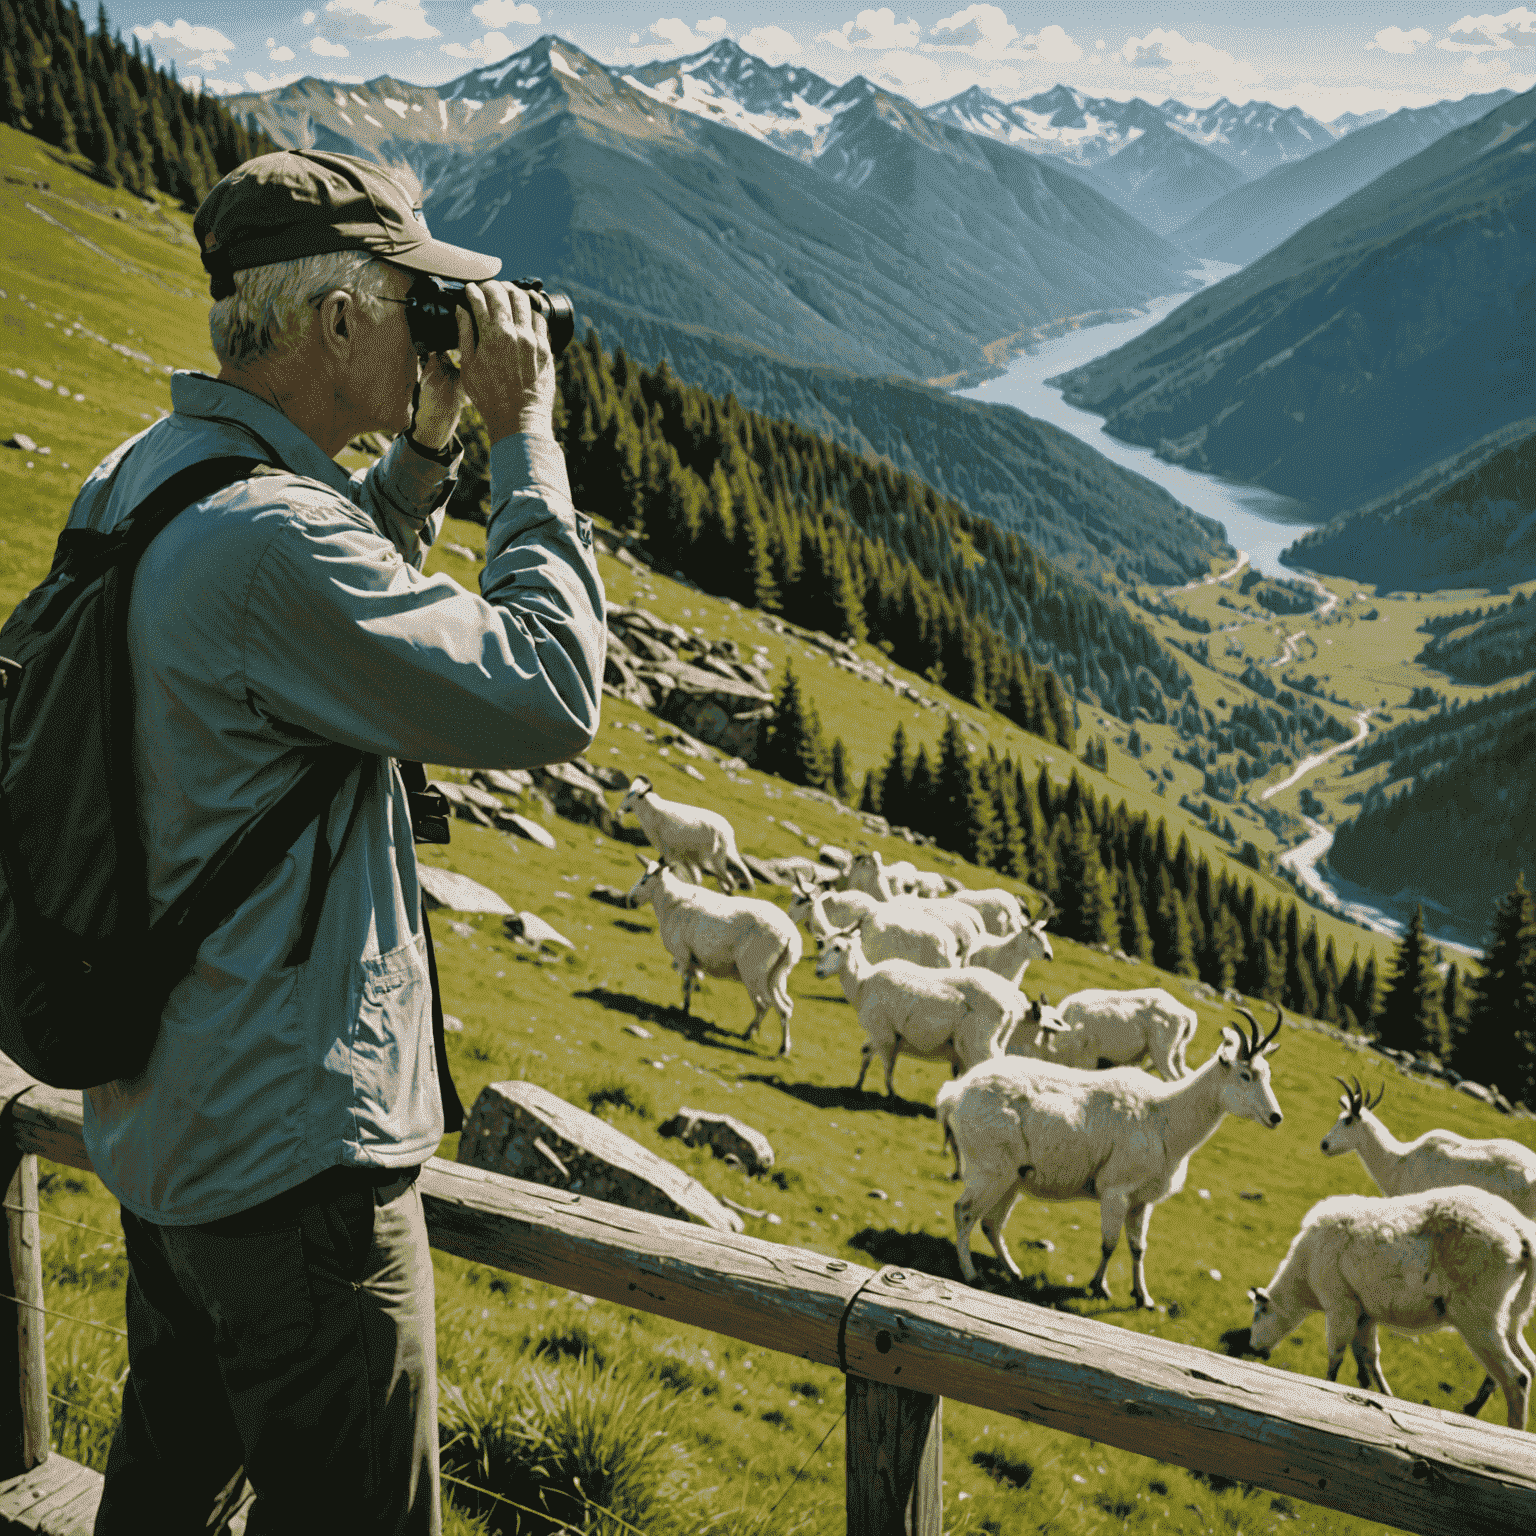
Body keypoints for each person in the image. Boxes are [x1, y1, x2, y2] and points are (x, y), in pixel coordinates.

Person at [73, 150, 605, 1534]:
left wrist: (418, 458)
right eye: (416, 297)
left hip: (172, 1125)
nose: (439, 321)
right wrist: (520, 437)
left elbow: (282, 635)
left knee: (162, 1505)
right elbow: (549, 690)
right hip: (295, 1175)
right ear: (337, 323)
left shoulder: (150, 479)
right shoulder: (269, 539)